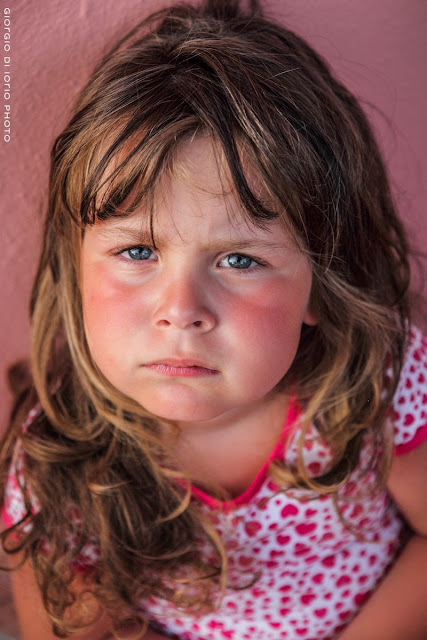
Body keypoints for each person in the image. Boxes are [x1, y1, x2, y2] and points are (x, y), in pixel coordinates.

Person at [1, 0, 426, 638]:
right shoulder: (60, 450)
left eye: (238, 259)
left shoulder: (380, 382)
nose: (181, 312)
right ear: (76, 270)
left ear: (321, 281)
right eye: (137, 252)